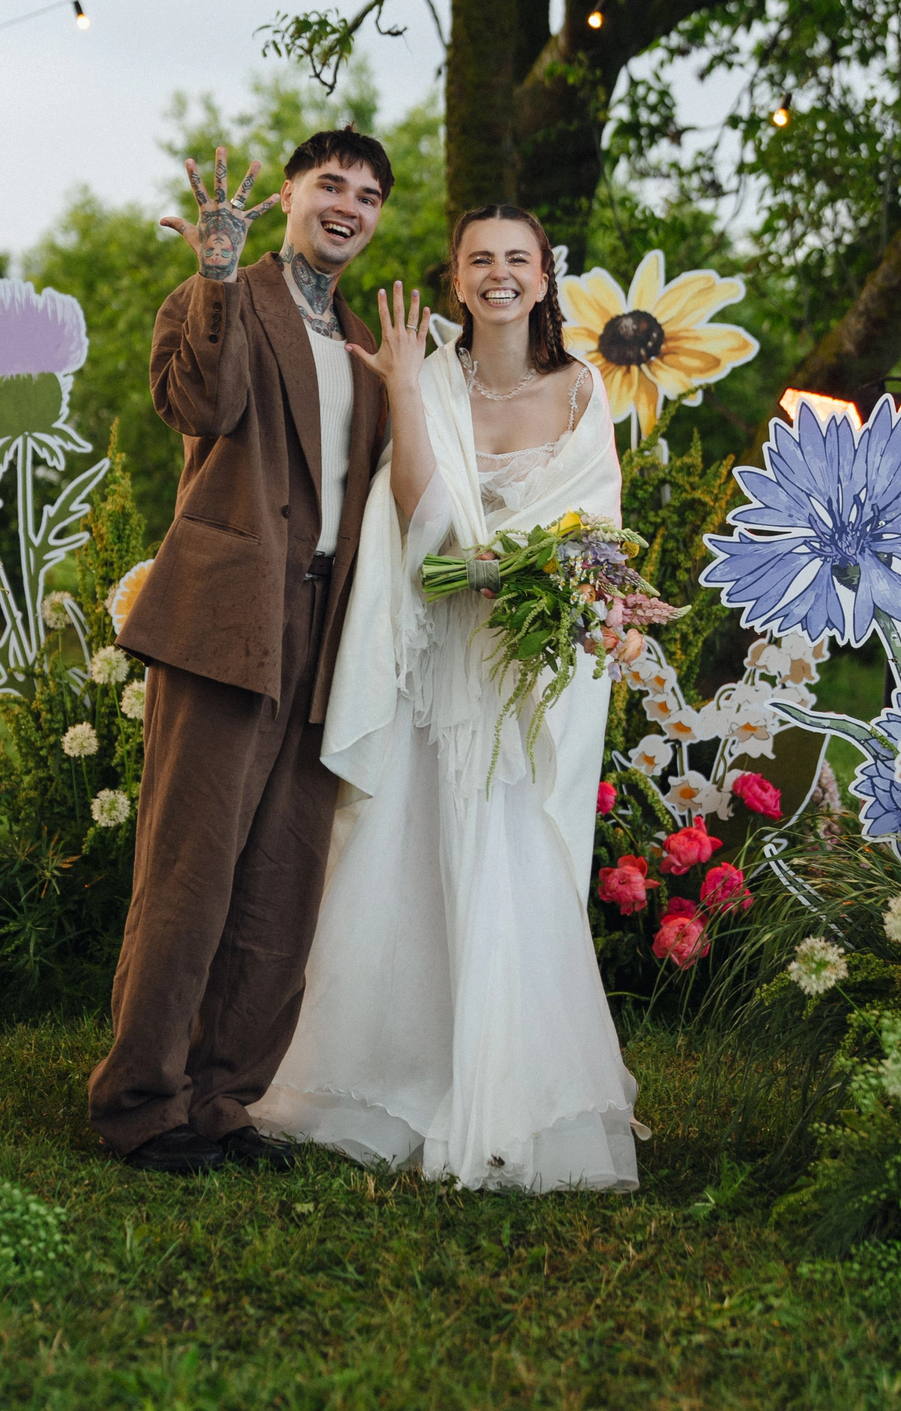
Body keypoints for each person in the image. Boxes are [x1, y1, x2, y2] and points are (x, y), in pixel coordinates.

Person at [249, 204, 641, 1193]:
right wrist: (402, 388)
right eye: (480, 260)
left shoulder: (581, 387)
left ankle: (510, 1096)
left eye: (518, 259)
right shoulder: (427, 375)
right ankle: (389, 1084)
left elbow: (594, 532)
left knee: (514, 853)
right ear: (457, 280)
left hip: (520, 665)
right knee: (404, 845)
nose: (500, 274)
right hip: (438, 649)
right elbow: (415, 510)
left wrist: (530, 583)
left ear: (544, 279)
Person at [88, 128, 391, 1173]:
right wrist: (215, 273)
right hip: (227, 617)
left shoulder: (364, 340)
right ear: (291, 196)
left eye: (367, 195)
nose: (347, 205)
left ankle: (221, 1101)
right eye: (329, 185)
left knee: (281, 880)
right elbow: (202, 405)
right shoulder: (218, 295)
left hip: (326, 628)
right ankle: (140, 1102)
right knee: (191, 870)